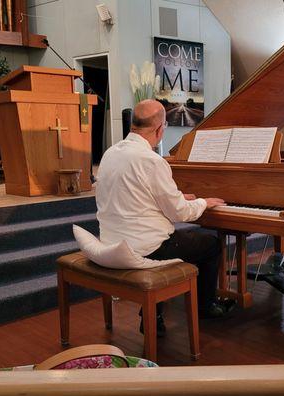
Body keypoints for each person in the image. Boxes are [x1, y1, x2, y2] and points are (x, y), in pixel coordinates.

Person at [95, 99, 234, 337]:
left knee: (178, 237)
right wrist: (203, 202)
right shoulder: (151, 161)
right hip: (145, 249)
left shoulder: (110, 153)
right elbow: (180, 213)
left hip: (112, 242)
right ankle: (205, 306)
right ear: (160, 129)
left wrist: (178, 197)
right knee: (210, 243)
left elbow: (139, 196)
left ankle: (154, 313)